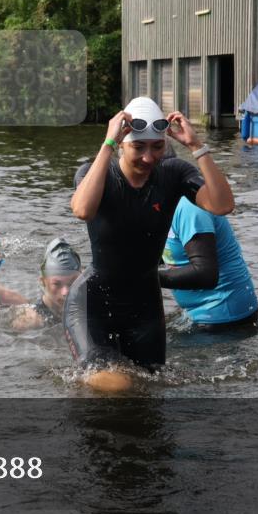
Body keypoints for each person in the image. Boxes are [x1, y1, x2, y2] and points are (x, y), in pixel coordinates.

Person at [67, 96, 234, 370]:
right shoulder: (95, 172)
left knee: (151, 391)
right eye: (138, 147)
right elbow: (83, 210)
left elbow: (222, 204)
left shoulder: (174, 174)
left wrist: (196, 145)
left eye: (157, 146)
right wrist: (107, 144)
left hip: (144, 305)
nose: (148, 157)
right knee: (108, 384)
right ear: (122, 143)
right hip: (93, 303)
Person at [160, 197, 258, 328]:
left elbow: (206, 273)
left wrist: (140, 278)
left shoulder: (190, 207)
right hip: (201, 315)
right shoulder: (162, 204)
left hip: (224, 319)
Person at [12, 238, 82, 330]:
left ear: (82, 279)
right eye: (57, 284)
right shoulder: (32, 321)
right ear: (43, 282)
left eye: (72, 282)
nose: (65, 292)